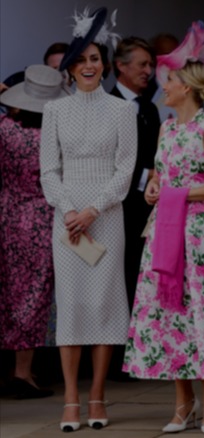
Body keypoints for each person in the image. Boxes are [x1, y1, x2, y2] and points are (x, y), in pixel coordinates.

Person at [122, 22, 204, 435]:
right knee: (170, 317)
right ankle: (182, 402)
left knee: (200, 315)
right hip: (164, 232)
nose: (164, 86)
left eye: (169, 80)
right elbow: (159, 175)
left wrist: (181, 193)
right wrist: (157, 188)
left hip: (198, 236)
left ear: (188, 86)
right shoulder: (167, 127)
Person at [39, 8, 137, 432]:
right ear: (70, 67)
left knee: (104, 304)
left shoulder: (122, 111)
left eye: (95, 58)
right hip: (67, 221)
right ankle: (71, 400)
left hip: (106, 217)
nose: (89, 66)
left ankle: (97, 396)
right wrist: (69, 210)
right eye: (81, 60)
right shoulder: (54, 111)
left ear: (105, 63)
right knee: (73, 305)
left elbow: (126, 167)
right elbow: (48, 170)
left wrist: (94, 209)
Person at [0, 65, 67, 400]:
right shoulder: (52, 136)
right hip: (41, 218)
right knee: (34, 295)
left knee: (9, 292)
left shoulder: (4, 129)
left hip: (7, 213)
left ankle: (14, 371)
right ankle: (23, 373)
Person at [109, 38, 161, 380]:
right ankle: (118, 361)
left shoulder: (150, 108)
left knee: (143, 280)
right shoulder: (110, 105)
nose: (148, 71)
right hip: (117, 208)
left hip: (147, 210)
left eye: (150, 64)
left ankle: (142, 354)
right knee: (120, 280)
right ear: (121, 66)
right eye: (141, 64)